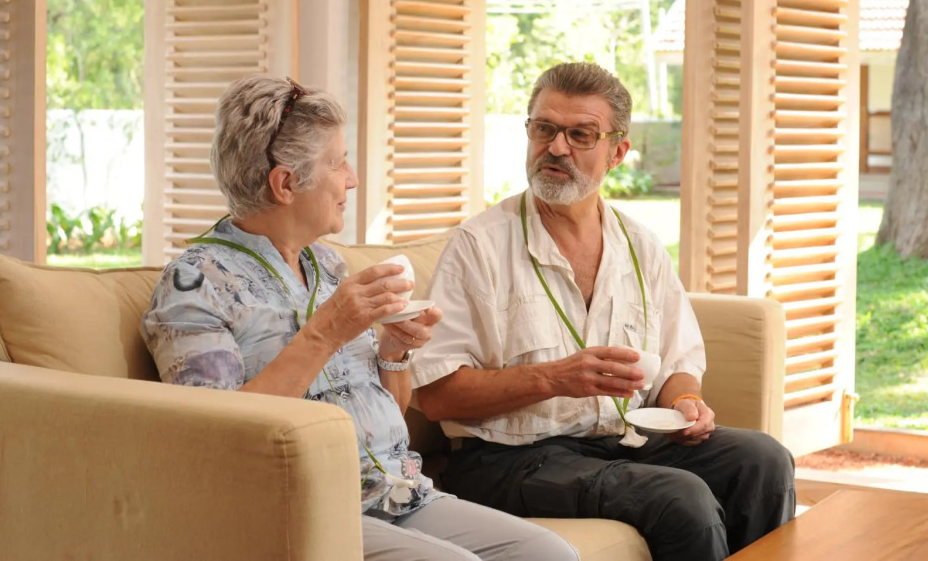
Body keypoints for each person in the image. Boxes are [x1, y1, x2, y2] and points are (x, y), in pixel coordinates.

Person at [141, 75, 578, 561]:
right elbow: (217, 439)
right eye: (337, 162)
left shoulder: (325, 266)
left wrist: (394, 353)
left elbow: (388, 409)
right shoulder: (196, 285)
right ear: (285, 183)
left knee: (549, 555)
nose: (351, 178)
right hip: (295, 507)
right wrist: (327, 331)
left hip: (395, 494)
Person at [413, 62, 796, 560]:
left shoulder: (640, 245)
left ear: (617, 152)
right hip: (508, 458)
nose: (555, 147)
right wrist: (554, 379)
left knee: (764, 460)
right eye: (544, 129)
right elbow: (438, 396)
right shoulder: (479, 246)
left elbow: (679, 361)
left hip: (623, 439)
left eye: (580, 134)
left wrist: (685, 404)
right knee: (681, 499)